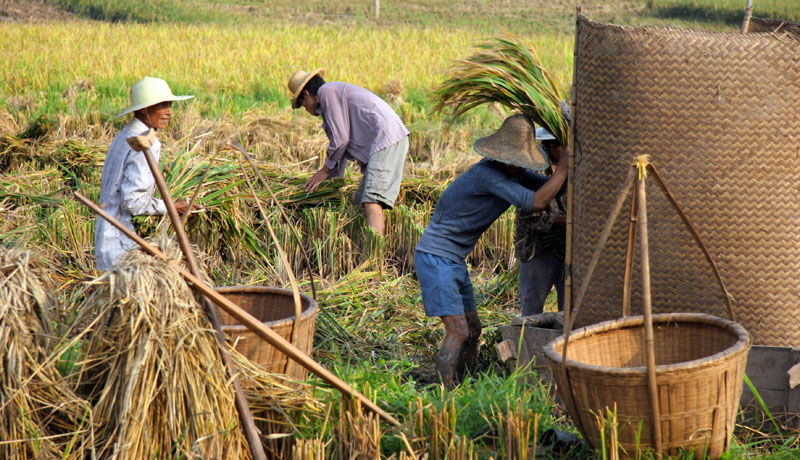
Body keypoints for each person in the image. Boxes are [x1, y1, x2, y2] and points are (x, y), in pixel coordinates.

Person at [414, 114, 569, 387]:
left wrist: (571, 166)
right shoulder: (488, 176)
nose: (521, 170)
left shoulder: (513, 173)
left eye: (524, 164)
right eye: (517, 164)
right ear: (502, 158)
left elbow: (550, 188)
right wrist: (563, 170)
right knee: (458, 331)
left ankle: (467, 381)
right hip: (436, 259)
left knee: (474, 330)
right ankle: (444, 391)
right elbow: (536, 202)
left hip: (453, 261)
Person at [287, 69, 409, 236]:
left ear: (306, 94)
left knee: (372, 200)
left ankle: (373, 258)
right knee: (358, 204)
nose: (306, 110)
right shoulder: (331, 103)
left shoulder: (326, 92)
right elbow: (340, 152)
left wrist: (324, 170)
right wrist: (330, 186)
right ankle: (362, 249)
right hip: (383, 142)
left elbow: (340, 140)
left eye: (302, 105)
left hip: (385, 139)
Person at [94, 76, 196, 270]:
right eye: (162, 105)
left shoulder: (124, 135)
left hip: (105, 236)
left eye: (170, 105)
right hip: (121, 243)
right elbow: (133, 201)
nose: (168, 111)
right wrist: (173, 207)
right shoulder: (145, 143)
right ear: (143, 109)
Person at [515, 127, 567, 316]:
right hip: (536, 249)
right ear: (551, 146)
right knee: (531, 311)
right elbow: (529, 215)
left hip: (567, 250)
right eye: (560, 145)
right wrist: (566, 222)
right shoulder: (532, 171)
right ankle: (526, 343)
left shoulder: (578, 171)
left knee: (569, 312)